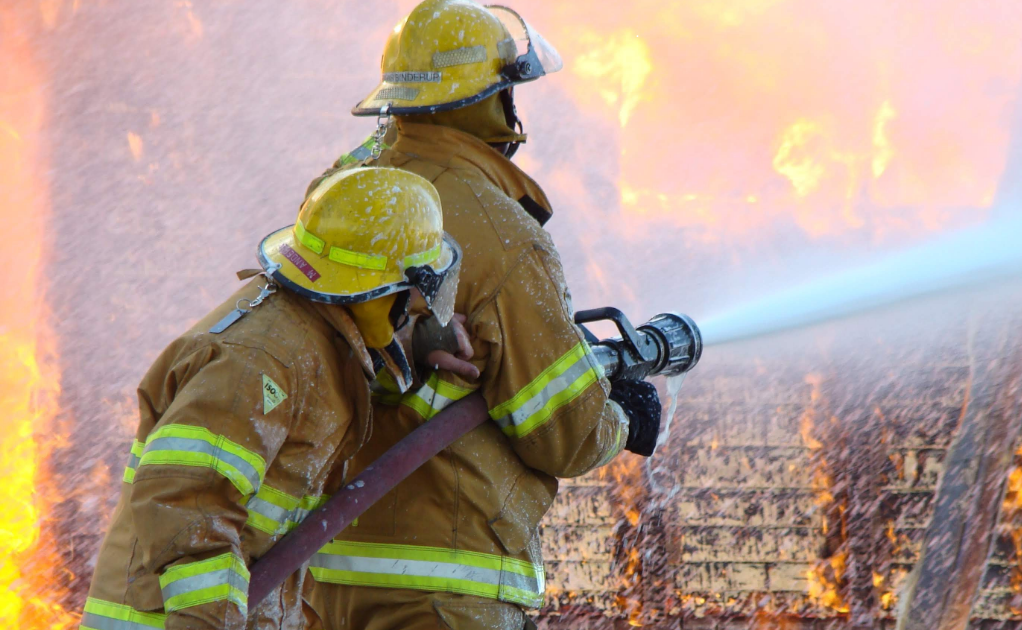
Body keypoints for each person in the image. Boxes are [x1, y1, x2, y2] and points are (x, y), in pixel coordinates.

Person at [306, 2, 664, 629]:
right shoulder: (501, 231)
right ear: (490, 101)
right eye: (507, 90)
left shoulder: (344, 192)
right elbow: (560, 429)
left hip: (323, 573)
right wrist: (621, 417)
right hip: (446, 585)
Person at [80, 166, 465, 630]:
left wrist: (412, 345)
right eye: (407, 292)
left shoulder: (309, 335)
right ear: (373, 290)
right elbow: (185, 502)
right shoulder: (261, 362)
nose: (412, 304)